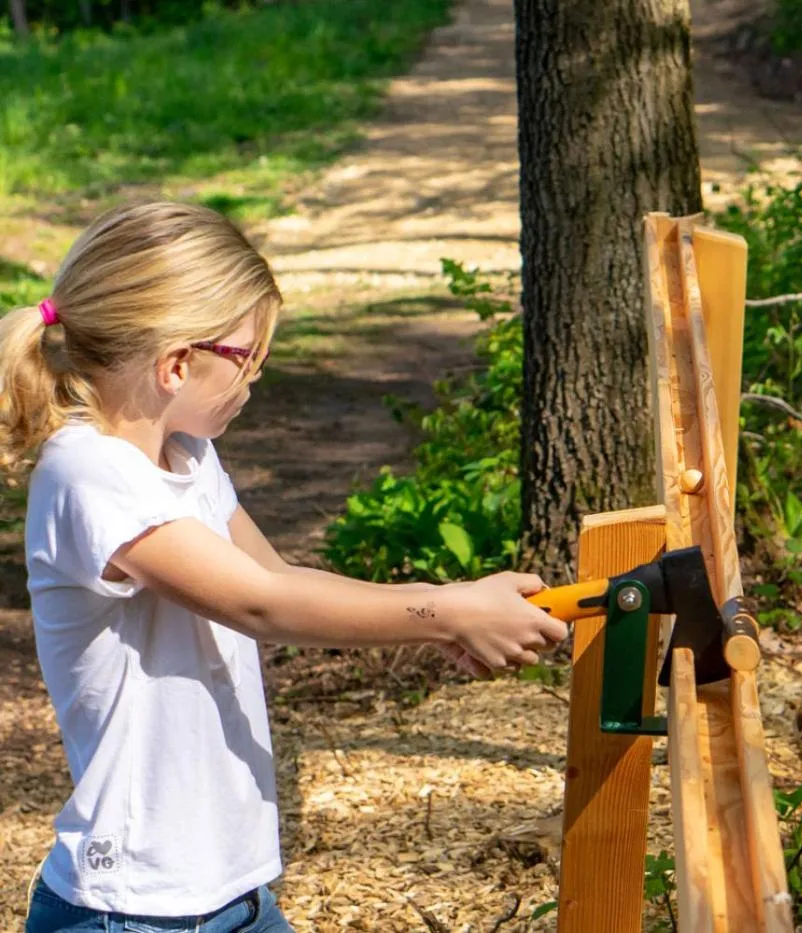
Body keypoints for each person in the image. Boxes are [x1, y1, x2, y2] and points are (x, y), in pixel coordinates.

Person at [0, 201, 568, 933]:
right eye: (249, 358)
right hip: (133, 908)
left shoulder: (186, 453)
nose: (256, 379)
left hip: (231, 895)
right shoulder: (88, 474)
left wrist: (436, 615)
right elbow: (259, 604)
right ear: (176, 363)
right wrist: (451, 608)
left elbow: (281, 575)